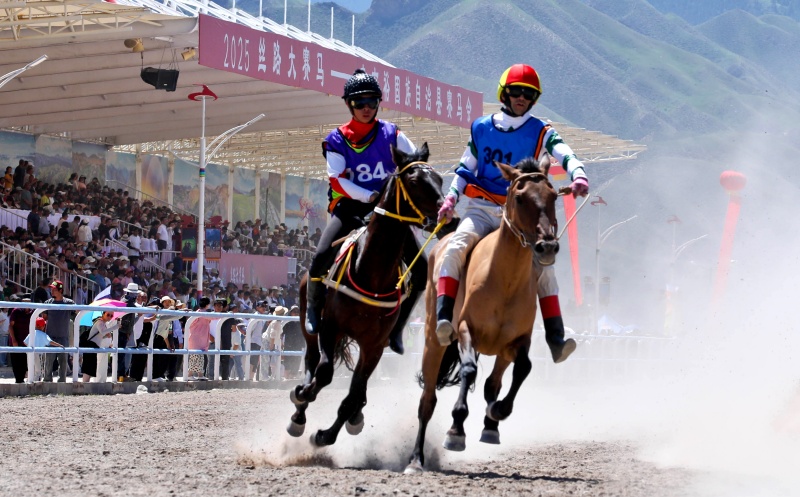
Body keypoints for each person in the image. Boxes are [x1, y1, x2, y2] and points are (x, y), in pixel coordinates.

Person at [435, 63, 589, 364]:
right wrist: (451, 198)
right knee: (455, 245)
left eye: (528, 94)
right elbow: (467, 168)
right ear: (504, 93)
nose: (522, 97)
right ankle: (444, 318)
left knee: (545, 267)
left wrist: (578, 173)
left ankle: (556, 339)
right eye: (516, 91)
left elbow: (564, 152)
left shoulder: (540, 129)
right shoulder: (480, 127)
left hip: (518, 216)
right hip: (481, 209)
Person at [305, 68, 426, 354]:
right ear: (349, 104)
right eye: (360, 103)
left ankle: (397, 328)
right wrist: (371, 194)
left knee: (422, 270)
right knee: (321, 257)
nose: (367, 108)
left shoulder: (392, 133)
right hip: (350, 207)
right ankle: (313, 308)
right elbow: (338, 180)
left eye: (372, 101)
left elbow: (413, 167)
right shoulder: (336, 139)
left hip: (389, 213)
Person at [43, 280, 74, 382]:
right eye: (51, 289)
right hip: (50, 337)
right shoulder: (48, 303)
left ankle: (62, 380)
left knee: (63, 361)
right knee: (48, 361)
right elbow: (44, 317)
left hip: (63, 336)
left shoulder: (69, 303)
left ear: (60, 290)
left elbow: (77, 312)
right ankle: (47, 380)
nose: (52, 291)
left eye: (54, 289)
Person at [81, 310, 119, 382]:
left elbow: (99, 335)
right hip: (90, 345)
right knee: (88, 366)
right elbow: (102, 332)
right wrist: (115, 327)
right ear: (103, 314)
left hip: (94, 345)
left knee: (90, 367)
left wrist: (106, 336)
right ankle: (84, 385)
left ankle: (85, 385)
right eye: (108, 315)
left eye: (111, 316)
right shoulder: (99, 322)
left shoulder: (103, 323)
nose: (110, 317)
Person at [8, 297, 34, 383]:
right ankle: (18, 380)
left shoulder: (33, 313)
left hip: (27, 343)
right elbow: (11, 326)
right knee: (16, 362)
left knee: (25, 363)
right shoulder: (16, 311)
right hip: (17, 341)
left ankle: (22, 379)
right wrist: (13, 339)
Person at [264, 306, 287, 380]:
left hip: (272, 342)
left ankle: (273, 376)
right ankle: (267, 377)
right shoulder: (276, 322)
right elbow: (272, 335)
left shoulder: (278, 322)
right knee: (268, 360)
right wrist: (272, 345)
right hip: (269, 342)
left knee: (272, 360)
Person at [281, 305, 304, 379]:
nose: (296, 313)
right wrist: (281, 343)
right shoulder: (287, 322)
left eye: (298, 312)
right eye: (294, 311)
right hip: (288, 345)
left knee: (297, 361)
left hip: (298, 345)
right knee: (287, 362)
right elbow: (281, 333)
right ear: (291, 312)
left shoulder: (302, 322)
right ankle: (286, 378)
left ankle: (293, 377)